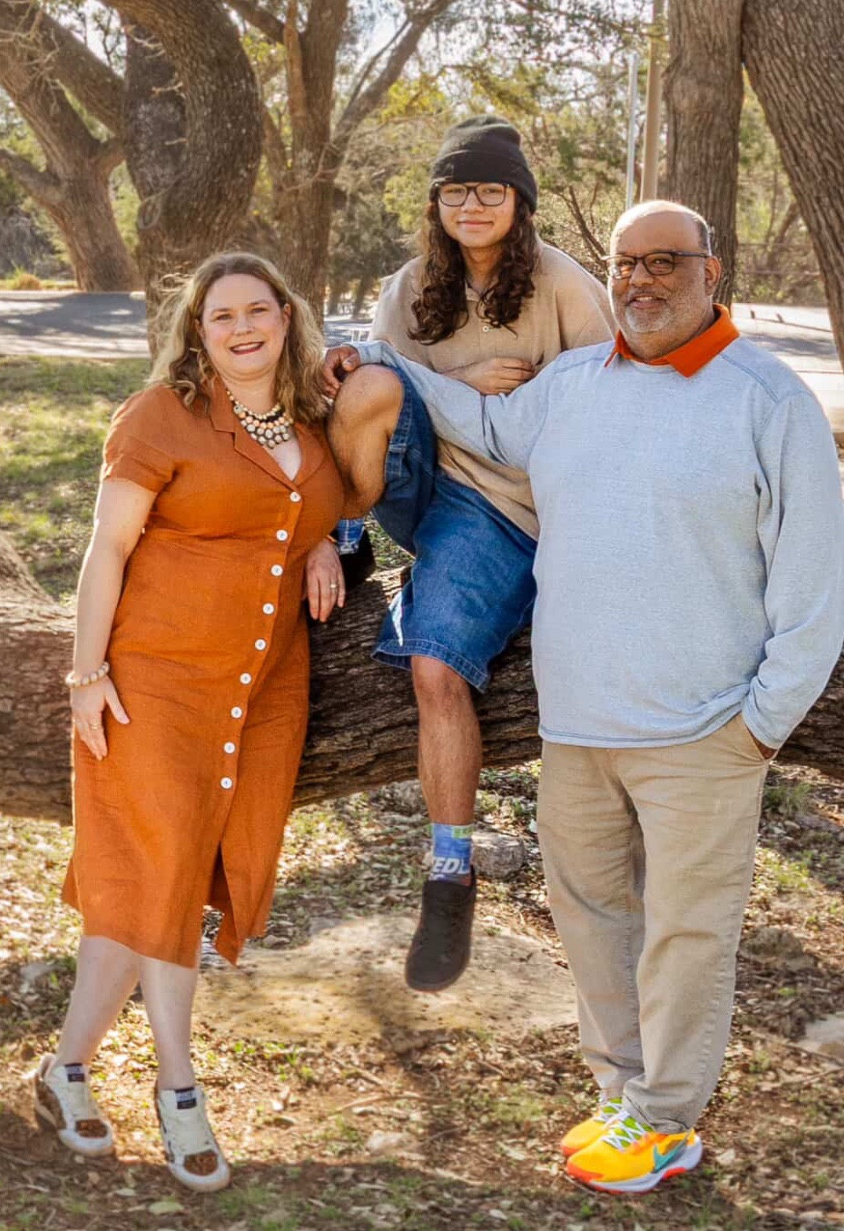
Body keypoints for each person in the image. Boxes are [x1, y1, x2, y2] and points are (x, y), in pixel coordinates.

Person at [335, 200, 844, 1193]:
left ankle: (664, 1120)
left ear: (711, 270)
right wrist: (376, 366)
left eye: (663, 262)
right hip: (576, 727)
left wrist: (760, 724)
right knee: (590, 913)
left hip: (704, 729)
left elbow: (816, 585)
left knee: (687, 931)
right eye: (624, 265)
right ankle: (621, 1088)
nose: (640, 281)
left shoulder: (763, 398)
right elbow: (470, 418)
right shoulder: (574, 383)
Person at [33, 252, 345, 1192]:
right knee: (163, 880)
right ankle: (181, 1090)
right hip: (156, 682)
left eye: (260, 310)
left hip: (261, 695)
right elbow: (106, 547)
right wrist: (85, 675)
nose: (243, 328)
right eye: (222, 317)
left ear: (286, 319)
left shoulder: (309, 421)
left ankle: (63, 1070)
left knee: (149, 890)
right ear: (197, 332)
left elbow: (304, 501)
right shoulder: (160, 415)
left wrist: (324, 537)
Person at [324, 115, 613, 994]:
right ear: (437, 204)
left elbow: (607, 408)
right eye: (457, 190)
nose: (473, 205)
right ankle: (345, 536)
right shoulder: (413, 285)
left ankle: (449, 873)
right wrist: (441, 385)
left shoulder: (564, 285)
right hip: (417, 484)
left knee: (437, 671)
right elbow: (386, 390)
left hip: (505, 510)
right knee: (367, 377)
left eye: (490, 190)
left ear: (519, 203)